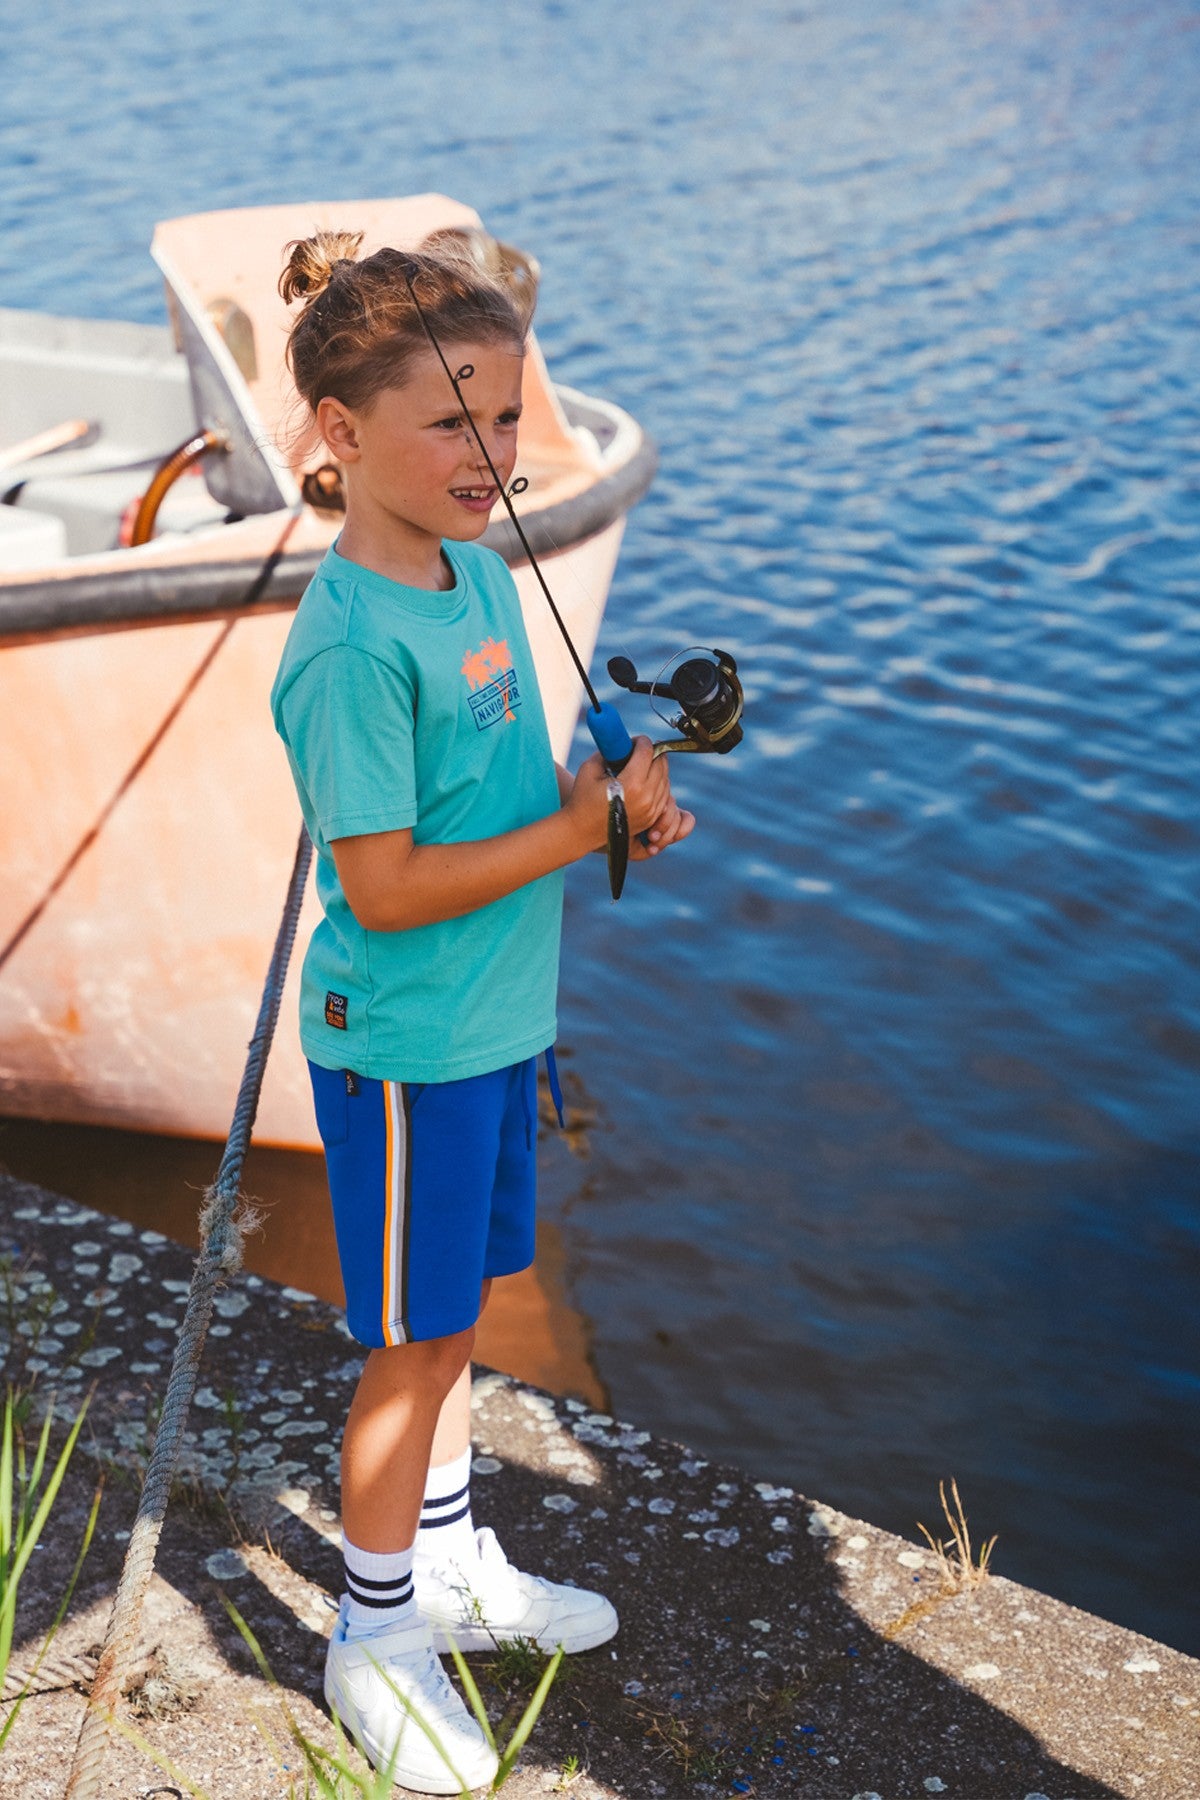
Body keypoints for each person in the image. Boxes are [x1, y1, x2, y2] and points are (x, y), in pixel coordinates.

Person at [270, 229, 693, 1794]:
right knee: (407, 1345)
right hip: (402, 1052)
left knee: (459, 1323)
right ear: (342, 435)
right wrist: (574, 833)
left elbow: (517, 788)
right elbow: (381, 888)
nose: (491, 453)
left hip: (497, 1025)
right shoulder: (348, 648)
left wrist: (609, 799)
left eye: (507, 419)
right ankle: (373, 1636)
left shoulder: (480, 573)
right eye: (450, 422)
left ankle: (443, 1559)